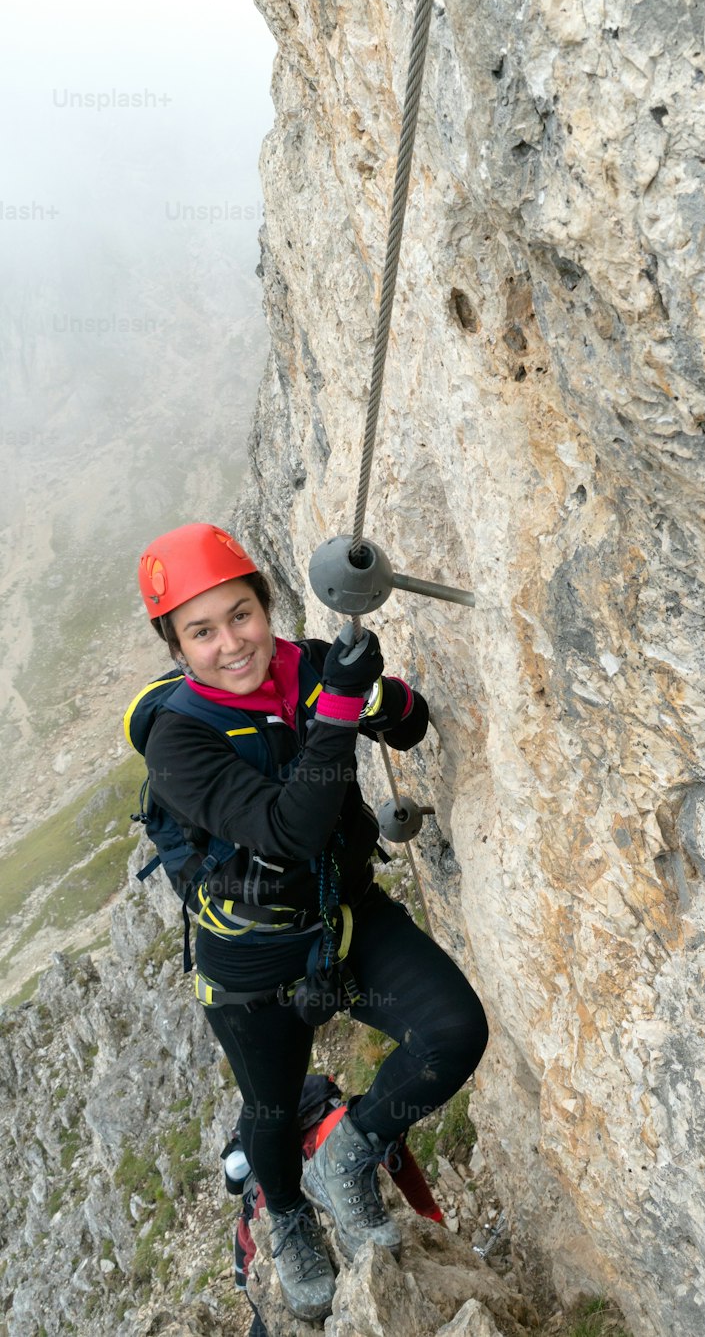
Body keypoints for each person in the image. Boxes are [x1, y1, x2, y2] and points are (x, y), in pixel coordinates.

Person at [133, 522, 489, 1322]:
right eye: (202, 630)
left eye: (242, 614)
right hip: (251, 960)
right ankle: (288, 1218)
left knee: (454, 1032)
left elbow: (409, 723)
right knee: (269, 1107)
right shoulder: (179, 742)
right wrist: (336, 708)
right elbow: (288, 833)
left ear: (266, 605)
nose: (232, 643)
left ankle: (345, 1155)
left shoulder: (309, 666)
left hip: (343, 914)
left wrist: (376, 695)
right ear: (175, 645)